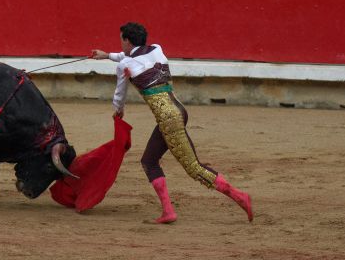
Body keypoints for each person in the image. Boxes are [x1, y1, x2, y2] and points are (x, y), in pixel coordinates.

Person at [89, 22, 253, 225]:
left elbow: (120, 94)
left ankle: (239, 196)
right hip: (179, 111)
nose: (121, 44)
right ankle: (168, 212)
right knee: (149, 161)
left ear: (127, 41)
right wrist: (106, 55)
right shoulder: (157, 49)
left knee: (194, 167)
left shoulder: (125, 66)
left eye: (122, 39)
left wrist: (118, 110)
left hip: (168, 119)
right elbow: (132, 56)